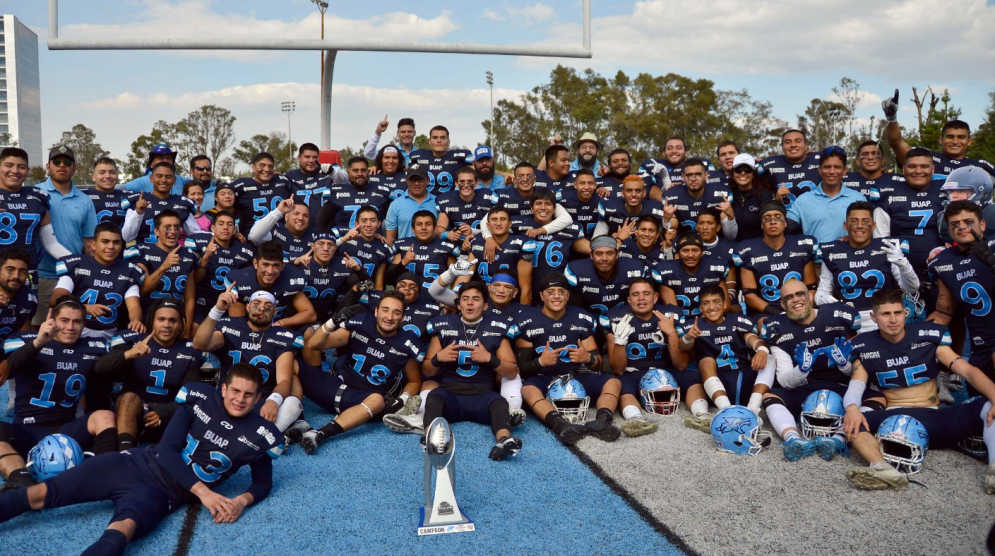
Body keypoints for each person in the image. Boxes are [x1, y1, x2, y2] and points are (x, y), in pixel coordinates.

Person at [0, 363, 283, 554]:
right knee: (38, 495)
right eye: (235, 391)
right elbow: (170, 451)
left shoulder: (262, 434)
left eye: (248, 395)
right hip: (132, 464)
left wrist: (240, 501)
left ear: (259, 397)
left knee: (122, 531)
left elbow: (263, 482)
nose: (240, 399)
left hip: (161, 493)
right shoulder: (199, 400)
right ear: (223, 389)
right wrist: (206, 495)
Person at [842, 288, 995, 491]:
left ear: (905, 313)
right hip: (894, 419)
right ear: (874, 317)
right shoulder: (864, 345)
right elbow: (857, 383)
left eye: (898, 312)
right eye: (886, 314)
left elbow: (967, 371)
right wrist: (852, 407)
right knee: (854, 421)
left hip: (934, 415)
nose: (893, 319)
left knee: (986, 405)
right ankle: (883, 469)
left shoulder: (927, 335)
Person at [0, 297, 117, 492]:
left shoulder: (95, 347)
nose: (70, 327)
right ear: (52, 321)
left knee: (105, 415)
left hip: (66, 431)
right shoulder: (25, 340)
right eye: (64, 320)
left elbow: (100, 389)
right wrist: (39, 342)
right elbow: (12, 367)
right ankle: (23, 483)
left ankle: (101, 474)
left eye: (77, 321)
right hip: (27, 430)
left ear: (84, 325)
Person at [295, 291, 424, 454]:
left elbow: (414, 381)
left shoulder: (408, 343)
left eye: (396, 312)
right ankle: (297, 420)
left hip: (361, 401)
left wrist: (402, 399)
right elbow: (314, 344)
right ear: (376, 311)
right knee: (292, 364)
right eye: (385, 310)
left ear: (403, 317)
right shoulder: (361, 323)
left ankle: (320, 433)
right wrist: (332, 321)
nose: (389, 316)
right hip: (334, 387)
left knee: (378, 400)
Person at [760, 279, 862, 461]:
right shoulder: (777, 328)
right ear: (782, 304)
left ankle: (839, 439)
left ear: (810, 296)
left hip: (840, 384)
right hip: (806, 386)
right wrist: (802, 369)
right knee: (771, 396)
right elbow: (784, 380)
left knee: (873, 398)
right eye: (789, 297)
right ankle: (793, 439)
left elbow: (858, 371)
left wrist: (844, 364)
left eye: (800, 294)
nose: (796, 300)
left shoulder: (838, 314)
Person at [420, 282, 522, 460]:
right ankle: (432, 437)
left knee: (499, 403)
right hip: (450, 394)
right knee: (434, 397)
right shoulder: (443, 326)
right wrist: (438, 358)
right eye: (465, 299)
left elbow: (512, 371)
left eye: (476, 299)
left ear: (485, 305)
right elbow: (427, 371)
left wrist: (490, 359)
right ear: (458, 304)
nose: (469, 303)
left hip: (482, 394)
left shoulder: (496, 327)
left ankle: (504, 440)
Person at [515, 272, 621, 444]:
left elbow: (598, 363)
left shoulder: (581, 317)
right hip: (543, 378)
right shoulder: (528, 321)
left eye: (561, 292)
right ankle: (559, 424)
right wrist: (540, 362)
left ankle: (602, 422)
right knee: (527, 390)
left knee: (613, 382)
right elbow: (521, 368)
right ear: (541, 295)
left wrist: (587, 358)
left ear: (568, 295)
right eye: (551, 292)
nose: (557, 296)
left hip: (576, 375)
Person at [96, 299, 203, 450]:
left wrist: (166, 411)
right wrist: (128, 354)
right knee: (128, 398)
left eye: (173, 320)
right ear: (152, 321)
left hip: (166, 414)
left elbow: (192, 394)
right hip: (129, 413)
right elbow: (100, 368)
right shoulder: (135, 340)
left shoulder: (190, 350)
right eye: (161, 319)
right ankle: (125, 453)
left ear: (180, 324)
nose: (166, 325)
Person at [193, 288, 301, 433]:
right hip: (229, 394)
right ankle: (266, 436)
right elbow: (200, 343)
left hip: (259, 398)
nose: (261, 309)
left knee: (289, 402)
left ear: (275, 312)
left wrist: (274, 400)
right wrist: (217, 310)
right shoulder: (230, 326)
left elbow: (285, 381)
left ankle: (264, 436)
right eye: (256, 304)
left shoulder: (283, 337)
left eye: (268, 307)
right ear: (247, 307)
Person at [605, 277, 693, 436]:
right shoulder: (616, 318)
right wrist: (619, 341)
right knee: (620, 383)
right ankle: (636, 420)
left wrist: (672, 333)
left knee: (694, 377)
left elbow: (681, 364)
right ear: (629, 299)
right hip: (633, 371)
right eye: (636, 294)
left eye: (646, 293)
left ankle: (701, 415)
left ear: (655, 297)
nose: (641, 298)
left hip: (666, 370)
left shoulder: (670, 315)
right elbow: (617, 369)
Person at [815, 201, 919, 331]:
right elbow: (820, 294)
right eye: (854, 221)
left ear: (874, 225)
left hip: (883, 316)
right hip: (847, 317)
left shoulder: (887, 247)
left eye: (865, 221)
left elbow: (912, 288)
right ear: (846, 225)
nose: (859, 226)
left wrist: (903, 264)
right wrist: (834, 304)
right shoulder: (832, 251)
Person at [677, 285, 773, 417]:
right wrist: (688, 337)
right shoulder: (695, 326)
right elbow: (682, 347)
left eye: (716, 302)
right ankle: (726, 410)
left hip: (744, 379)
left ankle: (753, 408)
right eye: (706, 303)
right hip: (716, 383)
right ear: (700, 308)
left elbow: (751, 338)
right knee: (706, 361)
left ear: (724, 304)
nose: (711, 307)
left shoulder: (737, 320)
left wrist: (761, 350)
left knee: (770, 357)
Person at [929, 201, 995, 385]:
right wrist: (913, 335)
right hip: (981, 345)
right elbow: (944, 311)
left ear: (982, 224)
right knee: (979, 401)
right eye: (955, 224)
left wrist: (991, 261)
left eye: (968, 221)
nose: (962, 227)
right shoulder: (943, 262)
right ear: (949, 231)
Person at [33, 146, 98, 327]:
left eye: (67, 162)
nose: (62, 166)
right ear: (48, 166)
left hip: (73, 275)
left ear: (74, 168)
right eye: (57, 162)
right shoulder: (35, 194)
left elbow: (88, 243)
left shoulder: (84, 200)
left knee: (70, 328)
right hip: (43, 275)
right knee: (39, 328)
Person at [51, 223, 145, 339]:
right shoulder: (77, 264)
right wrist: (84, 308)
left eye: (116, 242)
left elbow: (133, 305)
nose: (111, 246)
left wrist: (136, 320)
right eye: (105, 241)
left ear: (121, 246)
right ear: (94, 245)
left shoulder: (129, 270)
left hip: (109, 334)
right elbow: (55, 300)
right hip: (73, 330)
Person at [873, 147, 946, 287]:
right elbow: (880, 241)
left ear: (933, 168)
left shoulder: (946, 192)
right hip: (900, 273)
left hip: (942, 272)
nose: (918, 171)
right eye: (912, 166)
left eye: (924, 166)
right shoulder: (889, 194)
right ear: (904, 168)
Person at [882, 90, 995, 178]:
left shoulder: (981, 166)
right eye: (950, 137)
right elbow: (897, 143)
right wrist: (892, 118)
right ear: (941, 140)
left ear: (970, 141)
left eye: (961, 137)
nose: (955, 141)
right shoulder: (927, 157)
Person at [734, 201, 818, 316]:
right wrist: (778, 314)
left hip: (800, 307)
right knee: (767, 328)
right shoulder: (748, 250)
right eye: (767, 218)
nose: (773, 221)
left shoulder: (802, 246)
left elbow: (811, 287)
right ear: (761, 225)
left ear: (785, 223)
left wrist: (802, 310)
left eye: (778, 218)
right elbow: (750, 296)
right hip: (766, 311)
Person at [225, 240, 317, 328]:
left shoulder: (292, 278)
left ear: (282, 266)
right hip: (249, 328)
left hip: (279, 328)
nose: (270, 271)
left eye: (275, 265)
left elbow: (310, 314)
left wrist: (281, 323)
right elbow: (237, 324)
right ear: (255, 263)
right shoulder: (239, 280)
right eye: (265, 265)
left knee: (308, 330)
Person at [787, 147, 868, 244]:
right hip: (815, 259)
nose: (832, 172)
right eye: (827, 167)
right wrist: (777, 202)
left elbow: (869, 231)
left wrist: (855, 238)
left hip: (848, 257)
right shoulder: (803, 199)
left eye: (837, 167)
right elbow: (784, 227)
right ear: (820, 170)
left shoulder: (858, 198)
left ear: (845, 170)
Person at [134, 210, 198, 332]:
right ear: (156, 231)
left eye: (176, 227)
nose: (173, 231)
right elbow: (143, 291)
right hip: (148, 318)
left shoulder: (188, 255)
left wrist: (186, 330)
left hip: (174, 320)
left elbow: (189, 299)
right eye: (167, 227)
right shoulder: (144, 251)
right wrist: (164, 266)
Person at [518, 190, 586, 304]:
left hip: (556, 292)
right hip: (526, 290)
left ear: (555, 208)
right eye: (538, 203)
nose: (543, 208)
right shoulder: (519, 224)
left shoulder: (568, 229)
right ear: (531, 208)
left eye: (548, 204)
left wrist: (617, 241)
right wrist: (488, 236)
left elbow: (594, 249)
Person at [190, 211, 256, 323]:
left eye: (229, 224)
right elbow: (194, 280)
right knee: (196, 327)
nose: (225, 227)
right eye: (221, 224)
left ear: (235, 230)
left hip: (231, 302)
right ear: (212, 228)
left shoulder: (246, 250)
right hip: (203, 300)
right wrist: (206, 257)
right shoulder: (198, 242)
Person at [564, 235, 647, 321]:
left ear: (617, 254)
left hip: (625, 320)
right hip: (589, 321)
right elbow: (573, 308)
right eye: (599, 254)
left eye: (609, 253)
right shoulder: (577, 270)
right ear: (591, 255)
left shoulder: (634, 268)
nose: (604, 258)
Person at [652, 233, 733, 316]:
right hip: (680, 323)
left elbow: (725, 306)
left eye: (695, 250)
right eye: (685, 251)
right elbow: (674, 313)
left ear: (702, 252)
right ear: (678, 253)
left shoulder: (714, 268)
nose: (690, 255)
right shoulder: (666, 272)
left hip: (709, 320)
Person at [121, 162, 202, 245]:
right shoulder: (139, 199)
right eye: (159, 176)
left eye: (168, 177)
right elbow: (127, 237)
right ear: (151, 178)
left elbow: (195, 234)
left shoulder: (182, 203)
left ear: (174, 180)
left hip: (171, 254)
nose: (163, 180)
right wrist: (138, 213)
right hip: (144, 255)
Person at [457, 206, 532, 287]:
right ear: (488, 225)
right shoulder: (477, 241)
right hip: (482, 296)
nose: (498, 223)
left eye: (503, 219)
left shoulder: (520, 243)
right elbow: (464, 277)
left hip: (509, 296)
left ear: (510, 224)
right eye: (494, 219)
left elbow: (525, 288)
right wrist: (456, 296)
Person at [662, 158, 734, 235]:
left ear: (706, 175)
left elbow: (730, 236)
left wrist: (731, 217)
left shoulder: (722, 193)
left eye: (698, 174)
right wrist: (666, 221)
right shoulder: (671, 195)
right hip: (685, 243)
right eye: (689, 175)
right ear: (683, 177)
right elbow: (670, 234)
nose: (693, 179)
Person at [315, 157, 389, 231]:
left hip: (373, 240)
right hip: (345, 240)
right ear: (348, 173)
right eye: (355, 171)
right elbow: (320, 223)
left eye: (363, 170)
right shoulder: (337, 192)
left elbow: (393, 222)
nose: (360, 174)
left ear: (368, 171)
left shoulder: (381, 191)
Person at [390, 210, 459, 289]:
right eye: (419, 224)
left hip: (435, 297)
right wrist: (403, 263)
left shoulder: (446, 248)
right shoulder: (403, 246)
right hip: (407, 296)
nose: (423, 228)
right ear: (413, 229)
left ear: (435, 228)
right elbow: (389, 280)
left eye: (428, 224)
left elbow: (456, 280)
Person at [333, 205, 394, 290]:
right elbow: (323, 250)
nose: (368, 225)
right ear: (357, 224)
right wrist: (343, 239)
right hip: (338, 290)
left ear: (379, 223)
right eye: (364, 221)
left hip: (365, 293)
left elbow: (379, 285)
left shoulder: (383, 248)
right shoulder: (345, 237)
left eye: (372, 220)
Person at [231, 152, 291, 236]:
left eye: (270, 166)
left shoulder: (283, 181)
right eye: (262, 165)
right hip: (252, 234)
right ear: (253, 168)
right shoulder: (240, 185)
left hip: (281, 233)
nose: (266, 169)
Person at [759, 129, 822, 206]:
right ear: (782, 147)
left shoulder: (820, 160)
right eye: (788, 142)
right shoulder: (770, 163)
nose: (793, 145)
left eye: (798, 141)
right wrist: (775, 200)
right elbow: (745, 172)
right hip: (785, 215)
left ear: (805, 146)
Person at [724, 153, 775, 242]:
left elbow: (769, 226)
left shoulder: (764, 194)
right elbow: (728, 236)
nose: (743, 173)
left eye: (747, 170)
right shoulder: (728, 193)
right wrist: (730, 217)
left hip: (759, 246)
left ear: (753, 174)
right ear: (733, 173)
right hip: (734, 245)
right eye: (738, 170)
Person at [408, 125, 472, 195]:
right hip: (426, 201)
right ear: (429, 141)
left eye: (443, 138)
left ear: (448, 141)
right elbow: (406, 171)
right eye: (435, 138)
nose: (439, 141)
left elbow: (476, 167)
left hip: (451, 202)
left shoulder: (459, 156)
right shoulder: (417, 156)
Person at [248, 198, 315, 264]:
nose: (301, 218)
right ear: (286, 217)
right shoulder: (274, 228)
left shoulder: (315, 236)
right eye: (296, 213)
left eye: (305, 216)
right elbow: (254, 236)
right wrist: (279, 211)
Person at [385, 164, 438, 243]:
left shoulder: (438, 202)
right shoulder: (395, 204)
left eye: (420, 179)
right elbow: (390, 239)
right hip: (405, 253)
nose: (416, 183)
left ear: (427, 180)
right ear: (407, 181)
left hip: (433, 253)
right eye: (412, 180)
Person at [434, 166, 491, 240]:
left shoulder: (487, 197)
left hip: (481, 244)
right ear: (456, 184)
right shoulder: (447, 200)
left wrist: (473, 231)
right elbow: (437, 233)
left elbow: (496, 228)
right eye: (462, 182)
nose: (466, 185)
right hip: (456, 246)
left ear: (477, 183)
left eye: (470, 181)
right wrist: (447, 234)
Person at [598, 175, 665, 237]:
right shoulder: (609, 207)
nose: (633, 194)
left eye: (638, 191)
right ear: (623, 193)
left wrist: (667, 221)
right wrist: (610, 240)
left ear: (644, 193)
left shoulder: (655, 207)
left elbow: (671, 226)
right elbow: (597, 240)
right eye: (629, 191)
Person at [285, 143, 334, 225]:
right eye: (307, 157)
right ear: (299, 158)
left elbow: (345, 177)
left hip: (326, 228)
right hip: (302, 228)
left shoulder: (328, 175)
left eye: (315, 157)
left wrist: (334, 173)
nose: (311, 161)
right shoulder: (290, 177)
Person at [121, 143, 188, 195]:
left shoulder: (181, 180)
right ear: (151, 164)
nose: (165, 161)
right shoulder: (142, 182)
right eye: (160, 158)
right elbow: (119, 189)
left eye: (168, 158)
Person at [560, 169, 606, 241]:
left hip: (596, 240)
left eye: (590, 183)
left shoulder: (602, 198)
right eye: (582, 183)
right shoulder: (563, 198)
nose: (586, 187)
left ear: (595, 185)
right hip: (571, 241)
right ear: (575, 185)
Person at [87, 157, 129, 229]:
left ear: (117, 176)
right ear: (94, 177)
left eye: (112, 172)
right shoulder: (83, 196)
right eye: (102, 172)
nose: (108, 176)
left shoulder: (128, 196)